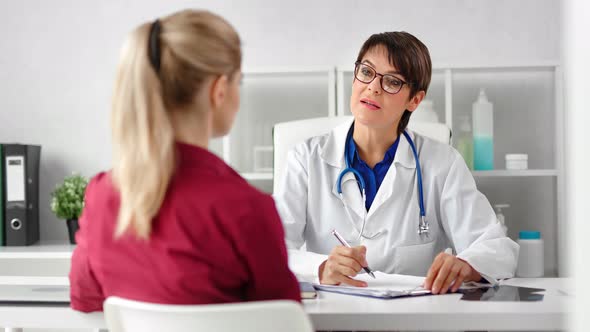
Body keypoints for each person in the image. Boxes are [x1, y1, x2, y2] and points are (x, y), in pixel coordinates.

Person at [69, 9, 300, 312]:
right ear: (219, 91)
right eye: (238, 82)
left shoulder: (101, 195)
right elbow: (283, 322)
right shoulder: (247, 208)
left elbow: (85, 300)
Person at [274, 31, 519, 294]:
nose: (373, 87)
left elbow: (497, 248)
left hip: (412, 315)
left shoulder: (442, 164)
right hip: (331, 313)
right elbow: (271, 249)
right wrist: (321, 267)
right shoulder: (305, 158)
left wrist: (466, 265)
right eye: (366, 72)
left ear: (414, 100)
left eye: (392, 81)